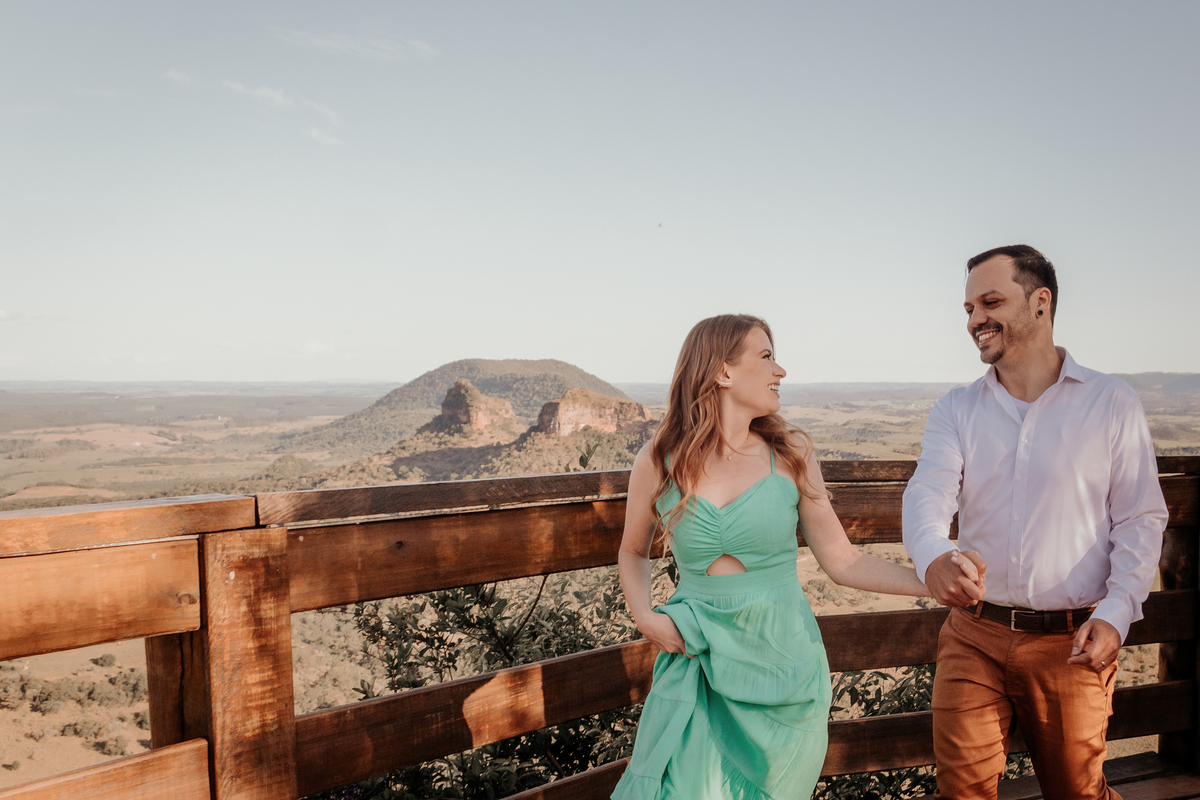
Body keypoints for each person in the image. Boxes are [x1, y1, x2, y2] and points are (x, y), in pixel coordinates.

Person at [612, 314, 977, 800]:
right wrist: (644, 616)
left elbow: (842, 561)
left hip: (784, 668)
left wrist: (931, 582)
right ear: (722, 372)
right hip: (699, 658)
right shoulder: (658, 460)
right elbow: (633, 550)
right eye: (766, 357)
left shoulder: (791, 454)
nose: (780, 370)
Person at [902, 245, 1168, 799]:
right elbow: (928, 492)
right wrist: (933, 555)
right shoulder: (956, 409)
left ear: (1040, 302)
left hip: (1073, 642)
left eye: (990, 301)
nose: (975, 319)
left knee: (1078, 793)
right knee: (962, 793)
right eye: (969, 307)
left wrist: (1118, 615)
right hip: (974, 634)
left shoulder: (1111, 402)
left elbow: (1141, 518)